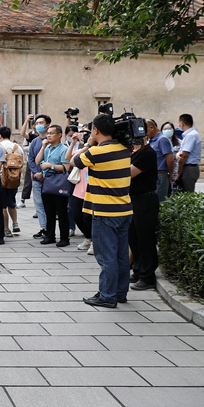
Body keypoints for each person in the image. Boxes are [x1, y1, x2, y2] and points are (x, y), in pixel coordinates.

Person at [71, 114, 133, 308]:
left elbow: (74, 161)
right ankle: (120, 293)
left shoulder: (96, 152)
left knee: (106, 256)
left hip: (105, 212)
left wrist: (89, 143)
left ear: (95, 130)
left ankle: (107, 296)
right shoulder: (124, 150)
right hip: (124, 210)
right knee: (121, 255)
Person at [129, 134, 160, 291]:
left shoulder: (147, 153)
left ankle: (147, 276)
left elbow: (128, 174)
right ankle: (138, 271)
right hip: (132, 200)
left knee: (145, 239)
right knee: (134, 239)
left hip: (145, 200)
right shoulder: (132, 152)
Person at [36, 124, 71, 247]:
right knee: (48, 211)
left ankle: (64, 238)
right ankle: (50, 235)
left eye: (51, 133)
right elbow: (37, 161)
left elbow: (66, 168)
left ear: (59, 135)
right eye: (48, 133)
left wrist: (50, 166)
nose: (48, 135)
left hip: (59, 182)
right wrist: (43, 146)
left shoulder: (64, 149)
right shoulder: (47, 148)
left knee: (61, 212)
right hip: (47, 182)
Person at [65, 128, 92, 253]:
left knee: (88, 217)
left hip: (92, 190)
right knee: (76, 214)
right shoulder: (84, 151)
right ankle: (88, 238)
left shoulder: (97, 152)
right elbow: (69, 158)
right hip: (79, 188)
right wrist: (77, 143)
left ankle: (94, 241)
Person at [27, 114, 52, 239]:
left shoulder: (52, 140)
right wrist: (36, 173)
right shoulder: (34, 142)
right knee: (39, 203)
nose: (38, 126)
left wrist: (43, 173)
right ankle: (43, 227)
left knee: (50, 204)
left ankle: (51, 228)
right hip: (36, 177)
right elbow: (30, 159)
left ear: (47, 125)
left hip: (50, 178)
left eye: (41, 123)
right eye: (36, 123)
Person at [0, 126, 23, 236]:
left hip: (0, 179)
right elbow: (22, 162)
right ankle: (15, 223)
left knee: (2, 206)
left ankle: (6, 229)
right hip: (14, 178)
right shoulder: (17, 147)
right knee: (12, 202)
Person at [146, 119, 174, 202]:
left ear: (151, 128)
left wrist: (171, 173)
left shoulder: (162, 139)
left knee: (159, 201)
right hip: (153, 175)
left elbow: (170, 159)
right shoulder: (151, 140)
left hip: (161, 174)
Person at [174, 113, 201, 192]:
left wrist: (179, 172)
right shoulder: (190, 135)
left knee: (187, 193)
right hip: (189, 168)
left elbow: (184, 156)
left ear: (182, 123)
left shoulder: (190, 135)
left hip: (189, 168)